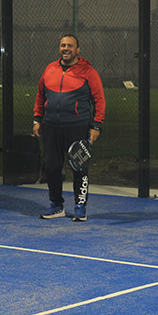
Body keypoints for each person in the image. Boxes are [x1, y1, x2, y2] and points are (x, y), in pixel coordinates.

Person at [33, 34, 106, 222]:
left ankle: (80, 207)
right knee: (51, 167)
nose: (66, 48)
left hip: (77, 127)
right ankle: (56, 205)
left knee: (80, 168)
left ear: (77, 50)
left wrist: (96, 126)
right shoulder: (50, 69)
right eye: (63, 45)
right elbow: (40, 95)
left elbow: (99, 100)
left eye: (70, 46)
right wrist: (37, 119)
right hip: (51, 127)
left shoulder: (89, 72)